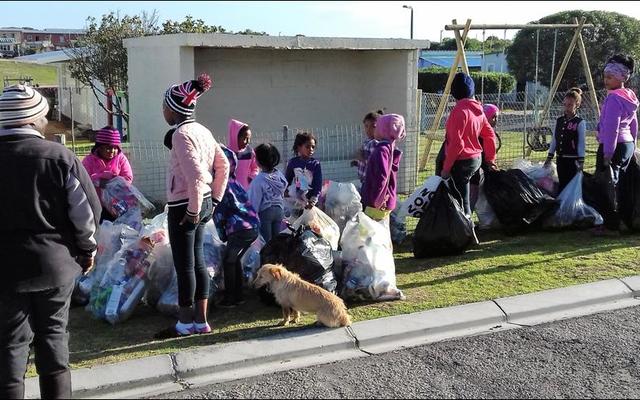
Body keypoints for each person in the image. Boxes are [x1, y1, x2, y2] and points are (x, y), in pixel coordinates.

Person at [0, 85, 101, 399]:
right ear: (33, 120)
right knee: (54, 344)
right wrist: (87, 250)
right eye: (43, 116)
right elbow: (86, 213)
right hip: (55, 266)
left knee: (9, 350)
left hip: (5, 272)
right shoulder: (59, 157)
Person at [155, 73, 230, 338]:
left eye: (164, 106)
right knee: (198, 262)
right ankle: (201, 321)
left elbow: (197, 176)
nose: (162, 111)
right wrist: (216, 198)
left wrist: (192, 211)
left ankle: (185, 323)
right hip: (206, 201)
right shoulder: (203, 131)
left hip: (186, 205)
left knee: (184, 264)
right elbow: (224, 165)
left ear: (172, 109)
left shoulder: (180, 135)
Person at [437, 72, 497, 217]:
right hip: (475, 160)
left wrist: (446, 168)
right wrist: (490, 159)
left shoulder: (458, 112)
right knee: (465, 199)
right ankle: (465, 230)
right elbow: (490, 136)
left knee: (460, 201)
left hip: (461, 162)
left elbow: (456, 144)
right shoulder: (479, 112)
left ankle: (463, 233)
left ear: (454, 92)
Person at [594, 54, 638, 234]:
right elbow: (634, 123)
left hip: (612, 145)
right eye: (605, 76)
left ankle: (611, 225)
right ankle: (626, 221)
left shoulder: (613, 98)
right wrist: (633, 145)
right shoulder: (629, 96)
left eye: (610, 77)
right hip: (626, 145)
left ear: (621, 77)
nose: (606, 80)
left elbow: (612, 127)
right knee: (623, 186)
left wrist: (607, 153)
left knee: (603, 185)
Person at [214, 145, 260, 308]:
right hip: (252, 226)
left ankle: (230, 298)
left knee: (229, 260)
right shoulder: (235, 182)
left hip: (239, 229)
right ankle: (239, 296)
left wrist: (222, 235)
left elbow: (219, 213)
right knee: (235, 259)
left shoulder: (220, 186)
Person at [360, 113, 406, 229]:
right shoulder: (390, 146)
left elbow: (382, 176)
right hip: (386, 199)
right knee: (380, 231)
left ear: (383, 130)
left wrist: (376, 201)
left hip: (376, 201)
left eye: (377, 127)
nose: (374, 130)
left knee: (368, 232)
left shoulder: (381, 150)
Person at [81, 125, 133, 221]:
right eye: (108, 148)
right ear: (100, 147)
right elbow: (84, 179)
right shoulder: (89, 160)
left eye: (115, 148)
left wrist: (111, 181)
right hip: (94, 205)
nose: (112, 151)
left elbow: (128, 178)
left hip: (117, 205)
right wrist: (100, 180)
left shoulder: (120, 158)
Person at [544, 88, 586, 192]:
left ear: (577, 105)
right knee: (562, 182)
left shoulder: (579, 122)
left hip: (573, 159)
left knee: (571, 184)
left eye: (570, 105)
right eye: (565, 105)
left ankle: (570, 205)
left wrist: (581, 161)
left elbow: (581, 143)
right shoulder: (559, 121)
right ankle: (561, 204)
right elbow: (555, 140)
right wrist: (549, 156)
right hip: (560, 158)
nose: (567, 108)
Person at [248, 143, 288, 243]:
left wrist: (251, 216)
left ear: (259, 161)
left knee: (266, 241)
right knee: (276, 239)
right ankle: (277, 257)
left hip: (265, 212)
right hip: (279, 211)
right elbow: (285, 184)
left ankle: (268, 258)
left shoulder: (259, 180)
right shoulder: (278, 174)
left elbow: (254, 201)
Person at [469, 103, 501, 211]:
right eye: (493, 117)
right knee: (472, 194)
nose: (495, 120)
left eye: (497, 117)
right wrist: (491, 164)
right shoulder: (485, 132)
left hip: (474, 167)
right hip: (474, 168)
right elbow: (487, 155)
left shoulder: (476, 128)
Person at [285, 132, 322, 210]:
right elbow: (287, 180)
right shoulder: (293, 163)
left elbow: (317, 184)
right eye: (308, 147)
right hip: (297, 201)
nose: (311, 149)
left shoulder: (315, 164)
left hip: (311, 202)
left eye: (313, 147)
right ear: (299, 147)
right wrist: (285, 191)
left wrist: (314, 199)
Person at [351, 110, 383, 185]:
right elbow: (366, 160)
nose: (368, 129)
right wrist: (357, 163)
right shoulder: (367, 141)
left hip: (371, 181)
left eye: (373, 126)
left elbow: (373, 165)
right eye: (366, 126)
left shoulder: (375, 144)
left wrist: (360, 157)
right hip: (363, 180)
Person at [227, 119, 259, 190]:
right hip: (230, 191)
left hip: (246, 190)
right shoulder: (226, 153)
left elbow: (255, 167)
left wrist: (252, 177)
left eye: (249, 139)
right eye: (245, 138)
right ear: (235, 136)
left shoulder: (249, 152)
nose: (247, 142)